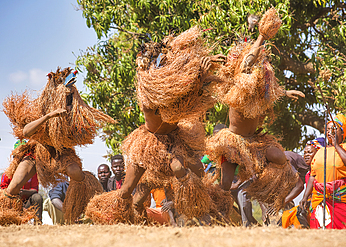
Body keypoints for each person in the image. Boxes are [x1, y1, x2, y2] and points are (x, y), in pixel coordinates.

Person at [86, 27, 231, 224]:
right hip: (148, 144)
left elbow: (184, 86)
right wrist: (200, 74)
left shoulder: (172, 81)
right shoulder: (149, 90)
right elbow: (174, 100)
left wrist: (207, 66)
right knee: (128, 191)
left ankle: (196, 210)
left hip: (175, 139)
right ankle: (107, 216)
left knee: (184, 169)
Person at [207, 8, 305, 211]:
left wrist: (286, 93)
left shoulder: (262, 90)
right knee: (225, 183)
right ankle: (217, 211)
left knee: (279, 157)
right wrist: (261, 36)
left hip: (255, 142)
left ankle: (271, 193)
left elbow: (272, 90)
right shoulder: (239, 83)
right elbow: (247, 63)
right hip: (234, 142)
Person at [0, 67, 114, 224]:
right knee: (13, 187)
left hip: (62, 153)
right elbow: (26, 132)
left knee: (76, 173)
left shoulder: (73, 114)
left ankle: (86, 208)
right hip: (37, 152)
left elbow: (80, 133)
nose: (66, 103)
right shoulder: (43, 113)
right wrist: (49, 116)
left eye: (68, 99)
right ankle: (7, 215)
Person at [299, 114, 346, 229]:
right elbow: (313, 176)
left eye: (334, 129)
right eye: (328, 129)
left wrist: (336, 145)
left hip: (343, 196)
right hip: (321, 197)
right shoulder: (319, 152)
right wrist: (304, 197)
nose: (330, 132)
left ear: (342, 133)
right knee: (319, 227)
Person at [278, 138, 325, 229]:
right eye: (305, 153)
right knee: (284, 219)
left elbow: (300, 186)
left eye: (310, 152)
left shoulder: (323, 171)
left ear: (319, 153)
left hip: (321, 206)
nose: (306, 155)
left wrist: (282, 202)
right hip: (311, 205)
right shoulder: (309, 173)